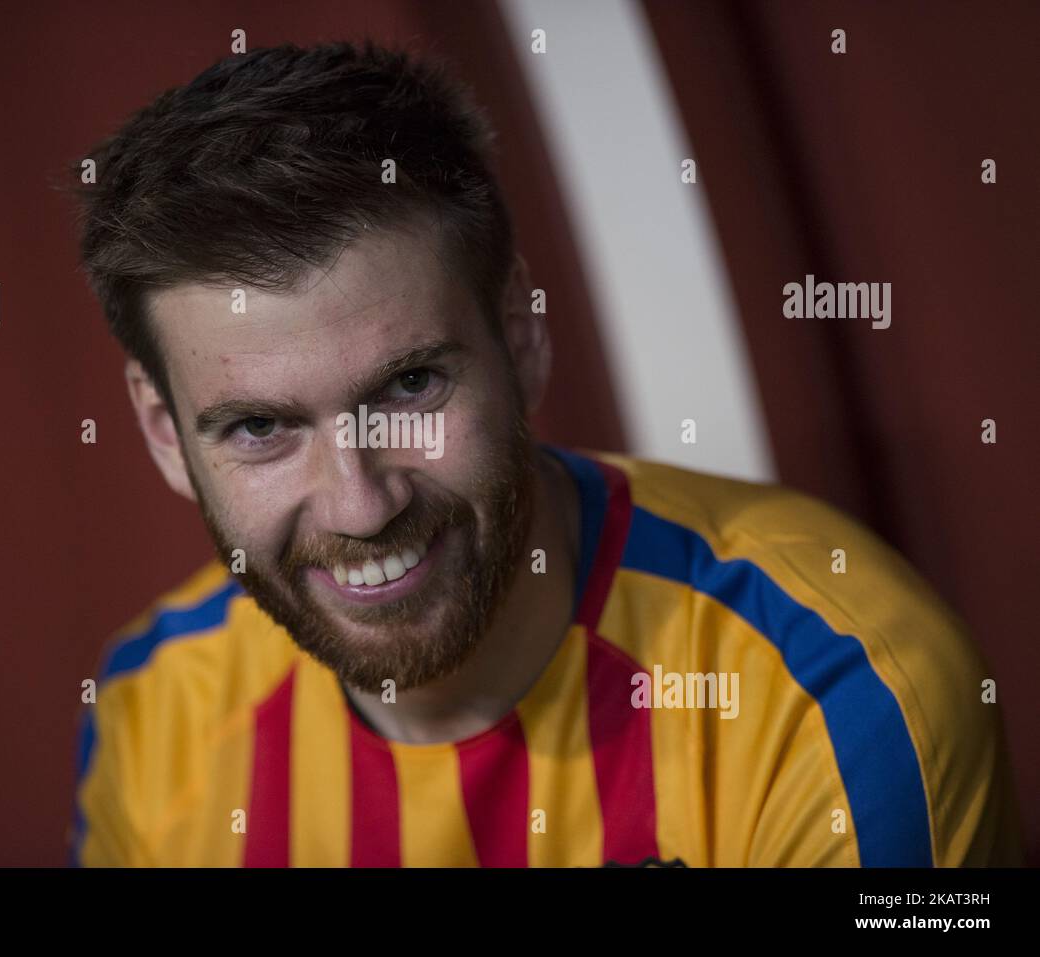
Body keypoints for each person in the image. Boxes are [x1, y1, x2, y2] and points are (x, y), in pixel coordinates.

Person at [68, 41, 1021, 867]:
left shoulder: (831, 694)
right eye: (260, 428)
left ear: (521, 336)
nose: (360, 506)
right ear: (164, 432)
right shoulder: (149, 716)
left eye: (409, 387)